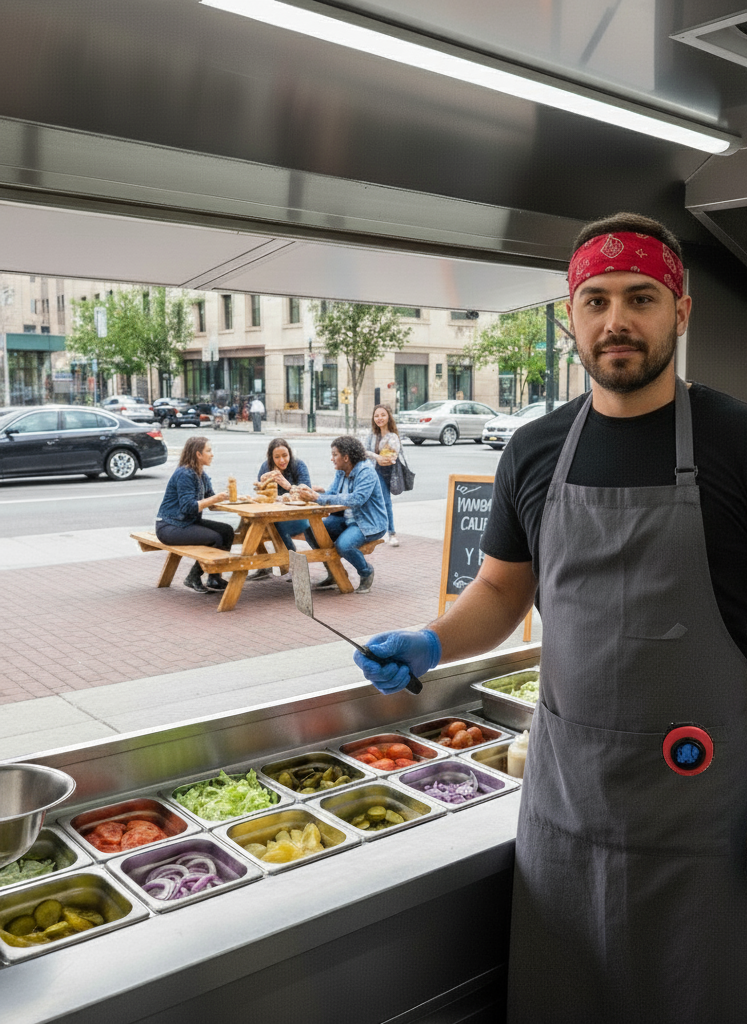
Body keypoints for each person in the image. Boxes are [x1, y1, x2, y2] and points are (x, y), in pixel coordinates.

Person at [353, 212, 747, 1022]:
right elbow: (501, 593)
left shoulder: (735, 438)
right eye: (594, 300)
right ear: (569, 316)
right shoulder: (534, 450)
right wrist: (431, 639)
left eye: (640, 297)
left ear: (680, 310)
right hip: (569, 811)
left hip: (709, 815)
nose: (616, 321)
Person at [297, 435, 387, 594]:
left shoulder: (366, 472)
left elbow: (357, 499)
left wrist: (319, 498)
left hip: (367, 523)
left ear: (346, 457)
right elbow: (332, 493)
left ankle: (366, 571)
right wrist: (314, 493)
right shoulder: (341, 471)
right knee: (311, 530)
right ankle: (334, 572)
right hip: (345, 519)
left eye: (334, 454)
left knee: (344, 545)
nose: (331, 459)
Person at [155, 436, 234, 594]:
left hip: (187, 523)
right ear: (198, 454)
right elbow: (188, 507)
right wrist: (214, 498)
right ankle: (193, 577)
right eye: (209, 451)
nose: (212, 454)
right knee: (215, 538)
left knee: (227, 531)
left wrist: (231, 498)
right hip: (170, 526)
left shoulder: (201, 474)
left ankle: (214, 577)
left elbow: (211, 501)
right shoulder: (185, 474)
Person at [252, 437, 316, 580]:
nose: (282, 460)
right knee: (251, 524)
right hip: (273, 515)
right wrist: (262, 484)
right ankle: (264, 565)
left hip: (298, 516)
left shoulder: (299, 466)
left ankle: (294, 566)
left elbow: (308, 493)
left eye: (285, 456)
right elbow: (261, 494)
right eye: (277, 457)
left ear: (290, 454)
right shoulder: (266, 467)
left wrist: (287, 485)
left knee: (276, 525)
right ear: (271, 457)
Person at [364, 404, 401, 546]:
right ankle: (378, 532)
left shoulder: (392, 436)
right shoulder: (372, 435)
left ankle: (391, 533)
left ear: (388, 417)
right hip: (372, 471)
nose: (379, 418)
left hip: (386, 473)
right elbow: (364, 451)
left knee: (385, 502)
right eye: (376, 416)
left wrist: (385, 457)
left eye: (383, 415)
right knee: (371, 502)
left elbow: (393, 455)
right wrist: (377, 457)